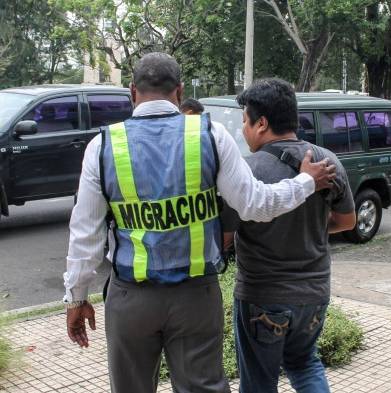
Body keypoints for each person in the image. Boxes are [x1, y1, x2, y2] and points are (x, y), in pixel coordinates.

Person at [63, 53, 336, 393]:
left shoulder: (102, 146)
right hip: (195, 298)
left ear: (132, 92)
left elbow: (85, 234)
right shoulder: (210, 134)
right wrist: (306, 181)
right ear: (179, 91)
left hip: (130, 298)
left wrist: (76, 298)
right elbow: (255, 204)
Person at [221, 78, 356, 393]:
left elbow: (225, 239)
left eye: (245, 121)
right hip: (314, 295)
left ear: (262, 123)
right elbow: (347, 221)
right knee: (305, 364)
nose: (243, 130)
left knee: (259, 382)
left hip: (262, 299)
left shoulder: (247, 172)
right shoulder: (328, 162)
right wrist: (310, 226)